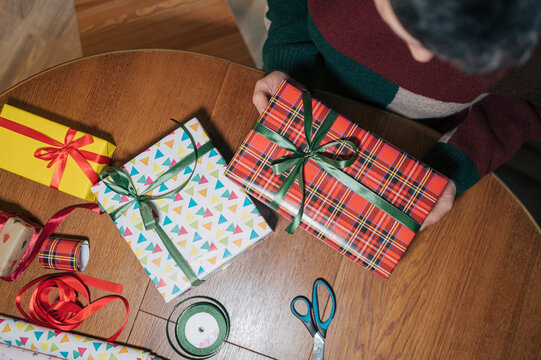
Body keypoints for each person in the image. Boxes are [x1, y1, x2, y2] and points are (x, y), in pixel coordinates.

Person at [252, 0, 541, 230]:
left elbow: (528, 107)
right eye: (413, 29)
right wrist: (287, 59)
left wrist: (461, 161)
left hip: (424, 142)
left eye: (457, 54)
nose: (421, 56)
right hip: (316, 87)